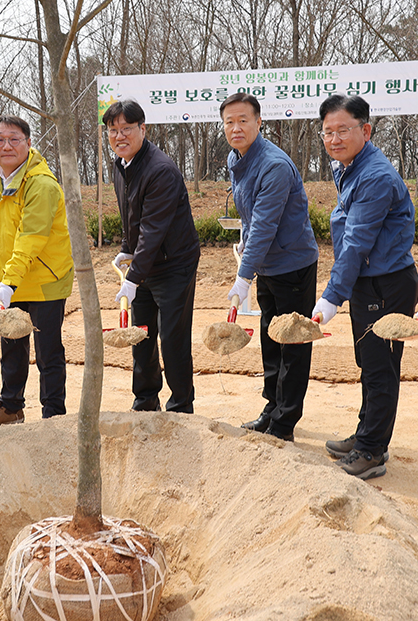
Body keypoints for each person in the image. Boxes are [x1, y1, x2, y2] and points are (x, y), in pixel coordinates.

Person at [313, 95, 418, 479]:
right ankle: (366, 434)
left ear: (366, 130)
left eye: (343, 129)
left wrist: (330, 298)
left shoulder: (374, 176)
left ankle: (373, 450)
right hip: (366, 281)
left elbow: (357, 242)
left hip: (385, 284)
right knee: (369, 363)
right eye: (328, 131)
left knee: (380, 368)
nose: (335, 138)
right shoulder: (349, 167)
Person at [220, 92, 319, 440]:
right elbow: (250, 219)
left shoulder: (273, 165)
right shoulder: (238, 159)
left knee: (291, 341)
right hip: (268, 266)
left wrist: (243, 276)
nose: (236, 128)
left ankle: (285, 421)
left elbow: (264, 225)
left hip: (292, 264)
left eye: (243, 120)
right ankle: (271, 406)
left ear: (259, 122)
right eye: (229, 121)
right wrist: (248, 253)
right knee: (269, 337)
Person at [0, 116, 73, 428]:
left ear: (29, 144)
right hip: (12, 280)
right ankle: (10, 407)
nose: (7, 146)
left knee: (48, 352)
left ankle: (53, 415)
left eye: (15, 139)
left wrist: (9, 283)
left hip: (45, 279)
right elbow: (0, 224)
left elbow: (31, 237)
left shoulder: (40, 184)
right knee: (12, 347)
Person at [104, 100, 201, 413]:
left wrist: (132, 278)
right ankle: (145, 399)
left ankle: (181, 405)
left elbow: (154, 229)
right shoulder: (122, 165)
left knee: (172, 337)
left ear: (142, 129)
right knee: (141, 334)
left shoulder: (160, 170)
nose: (120, 136)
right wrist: (125, 248)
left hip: (174, 264)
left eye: (127, 129)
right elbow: (131, 216)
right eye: (113, 130)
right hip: (143, 262)